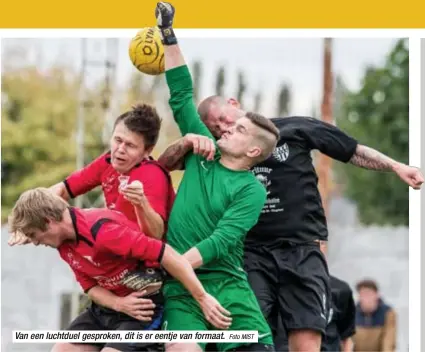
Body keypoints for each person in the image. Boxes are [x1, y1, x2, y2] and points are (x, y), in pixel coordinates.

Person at [160, 92, 423, 351]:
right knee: (247, 334)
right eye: (214, 128)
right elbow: (170, 165)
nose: (222, 128)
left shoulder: (296, 128)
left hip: (301, 249)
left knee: (306, 340)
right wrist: (186, 141)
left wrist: (396, 166)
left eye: (222, 118)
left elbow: (351, 150)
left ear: (233, 103)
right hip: (252, 253)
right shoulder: (223, 152)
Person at [154, 2, 279, 351]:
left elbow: (219, 243)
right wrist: (168, 33)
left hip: (226, 284)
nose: (223, 128)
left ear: (254, 151)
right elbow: (181, 94)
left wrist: (172, 263)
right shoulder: (203, 147)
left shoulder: (251, 191)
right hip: (181, 291)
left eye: (237, 129)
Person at [9, 103, 176, 323]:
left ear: (146, 152)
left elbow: (155, 235)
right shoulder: (108, 161)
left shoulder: (151, 175)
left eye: (130, 146)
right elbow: (61, 190)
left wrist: (142, 204)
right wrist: (26, 223)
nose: (120, 149)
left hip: (148, 272)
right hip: (116, 269)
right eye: (117, 140)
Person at [8, 187, 231, 352]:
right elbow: (90, 286)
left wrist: (202, 298)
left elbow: (167, 254)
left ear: (48, 221)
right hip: (106, 309)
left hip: (141, 311)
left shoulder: (104, 232)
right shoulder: (62, 243)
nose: (36, 243)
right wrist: (117, 303)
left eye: (35, 236)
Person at [353, 279, 397, 352]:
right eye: (362, 294)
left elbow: (389, 342)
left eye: (368, 294)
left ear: (377, 295)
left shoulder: (388, 313)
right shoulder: (351, 313)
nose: (366, 298)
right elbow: (347, 342)